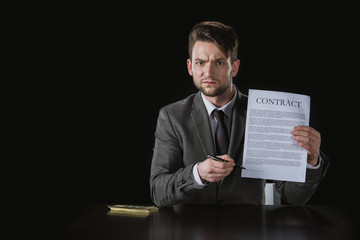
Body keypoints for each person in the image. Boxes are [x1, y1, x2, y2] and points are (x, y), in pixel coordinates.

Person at [150, 21, 329, 207]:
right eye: (200, 63)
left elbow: (294, 197)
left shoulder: (266, 114)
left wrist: (311, 160)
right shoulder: (171, 117)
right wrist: (198, 173)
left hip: (250, 230)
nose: (208, 72)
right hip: (189, 231)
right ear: (190, 67)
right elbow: (158, 192)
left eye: (219, 62)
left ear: (234, 67)